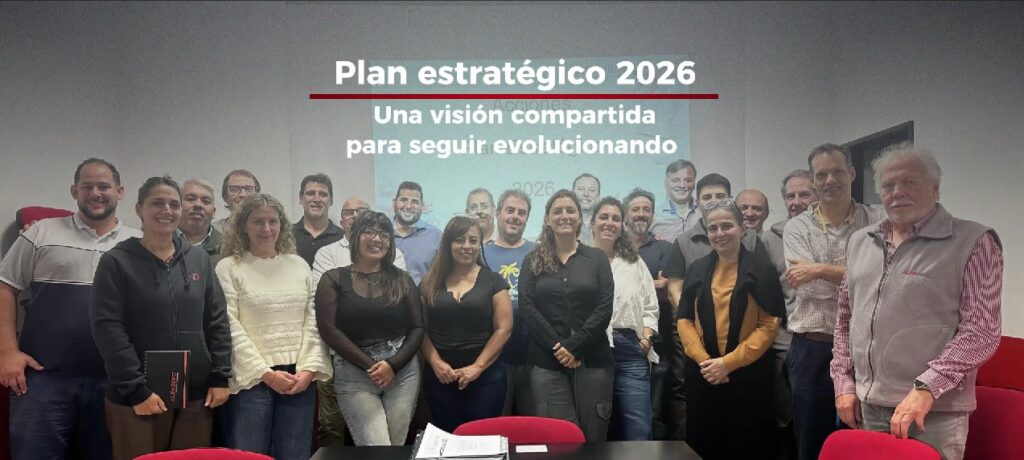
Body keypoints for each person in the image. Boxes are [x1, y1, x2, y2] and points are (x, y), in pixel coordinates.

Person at [831, 144, 1002, 460]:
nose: (897, 192)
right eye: (888, 185)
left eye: (909, 182)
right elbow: (845, 318)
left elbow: (981, 331)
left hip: (934, 410)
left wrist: (926, 388)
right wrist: (843, 382)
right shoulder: (860, 241)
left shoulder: (974, 241)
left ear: (935, 188)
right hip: (869, 405)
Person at [0, 158, 140, 460]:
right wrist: (7, 351)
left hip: (114, 382)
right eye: (87, 187)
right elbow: (5, 287)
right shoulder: (40, 233)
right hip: (44, 379)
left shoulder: (139, 244)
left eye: (104, 186)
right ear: (74, 191)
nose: (96, 193)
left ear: (120, 192)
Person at [90, 176, 232, 460]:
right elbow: (108, 330)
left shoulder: (199, 259)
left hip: (195, 394)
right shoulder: (116, 262)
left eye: (173, 204)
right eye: (157, 203)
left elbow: (216, 319)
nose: (167, 210)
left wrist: (220, 376)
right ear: (139, 209)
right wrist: (136, 390)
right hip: (138, 396)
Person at [783, 144, 885, 460]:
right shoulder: (797, 227)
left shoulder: (879, 219)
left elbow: (886, 279)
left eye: (837, 171)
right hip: (813, 349)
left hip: (867, 349)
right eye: (822, 174)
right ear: (813, 181)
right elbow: (810, 290)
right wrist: (860, 275)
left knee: (866, 441)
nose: (830, 180)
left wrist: (819, 269)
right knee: (811, 444)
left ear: (852, 173)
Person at [215, 193, 332, 460]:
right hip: (252, 380)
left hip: (298, 378)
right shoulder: (228, 268)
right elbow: (229, 326)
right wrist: (266, 374)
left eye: (273, 221)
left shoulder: (298, 265)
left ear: (282, 225)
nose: (266, 229)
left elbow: (313, 320)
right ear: (243, 225)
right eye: (258, 221)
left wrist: (309, 369)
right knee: (250, 455)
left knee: (295, 454)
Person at [676, 199, 784, 460]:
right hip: (704, 374)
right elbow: (684, 319)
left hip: (747, 374)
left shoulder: (762, 270)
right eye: (713, 228)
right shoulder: (697, 269)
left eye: (727, 226)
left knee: (747, 444)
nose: (719, 233)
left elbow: (770, 323)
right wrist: (707, 362)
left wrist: (728, 363)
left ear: (742, 228)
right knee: (704, 443)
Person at [663, 173, 762, 441]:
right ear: (697, 201)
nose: (712, 201)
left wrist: (729, 360)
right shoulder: (684, 242)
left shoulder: (752, 241)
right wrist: (698, 327)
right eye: (707, 197)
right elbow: (676, 290)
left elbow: (766, 307)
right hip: (696, 343)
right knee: (698, 412)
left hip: (742, 350)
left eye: (720, 196)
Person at [314, 211, 424, 446]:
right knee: (377, 447)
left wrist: (392, 365)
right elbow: (328, 329)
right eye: (369, 232)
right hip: (354, 372)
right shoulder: (333, 279)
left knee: (395, 446)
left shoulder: (402, 279)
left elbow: (417, 327)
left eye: (384, 234)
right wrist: (373, 367)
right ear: (355, 237)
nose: (377, 239)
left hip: (402, 370)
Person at [520, 190, 614, 441]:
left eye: (570, 210)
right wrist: (558, 347)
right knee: (559, 441)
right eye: (557, 211)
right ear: (547, 219)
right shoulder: (533, 259)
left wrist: (574, 346)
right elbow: (527, 307)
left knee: (594, 439)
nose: (564, 216)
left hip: (592, 360)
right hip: (546, 361)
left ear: (580, 218)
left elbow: (605, 307)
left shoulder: (596, 258)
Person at [419, 216, 513, 432]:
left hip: (487, 378)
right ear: (448, 243)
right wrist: (435, 362)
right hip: (440, 378)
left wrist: (477, 367)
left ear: (480, 245)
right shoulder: (429, 283)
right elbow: (420, 329)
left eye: (473, 240)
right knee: (447, 439)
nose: (467, 246)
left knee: (482, 441)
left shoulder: (494, 281)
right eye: (459, 240)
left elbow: (504, 329)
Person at [590, 197, 659, 441]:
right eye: (604, 217)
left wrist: (646, 339)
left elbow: (651, 304)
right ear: (592, 223)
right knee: (595, 430)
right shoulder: (580, 260)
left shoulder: (634, 261)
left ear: (622, 225)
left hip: (630, 350)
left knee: (639, 430)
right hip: (591, 351)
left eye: (616, 219)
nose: (609, 223)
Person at [760, 170, 816, 460]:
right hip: (784, 339)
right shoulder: (770, 238)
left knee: (816, 417)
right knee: (784, 414)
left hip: (825, 339)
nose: (796, 201)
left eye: (804, 194)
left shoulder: (831, 233)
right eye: (790, 196)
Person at [621, 188, 676, 439]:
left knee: (653, 413)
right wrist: (648, 284)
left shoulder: (664, 247)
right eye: (636, 209)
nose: (641, 214)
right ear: (625, 215)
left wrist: (624, 286)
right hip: (618, 342)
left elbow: (664, 286)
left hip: (657, 341)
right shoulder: (614, 247)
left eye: (647, 209)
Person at [482, 189, 537, 415]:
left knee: (531, 426)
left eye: (521, 213)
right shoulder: (481, 253)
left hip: (533, 356)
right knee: (497, 422)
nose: (515, 217)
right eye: (510, 210)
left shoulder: (539, 252)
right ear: (498, 213)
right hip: (493, 358)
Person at [392, 181, 442, 284]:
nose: (408, 206)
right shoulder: (380, 232)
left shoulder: (436, 235)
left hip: (422, 294)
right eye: (403, 200)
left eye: (415, 202)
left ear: (422, 206)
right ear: (394, 202)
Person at [293, 174, 344, 266]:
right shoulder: (287, 235)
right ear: (300, 198)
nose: (317, 199)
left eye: (323, 194)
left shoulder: (342, 238)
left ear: (331, 200)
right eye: (310, 193)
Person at [651, 159, 700, 241]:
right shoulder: (654, 215)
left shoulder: (704, 212)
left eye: (688, 180)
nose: (682, 185)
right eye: (675, 180)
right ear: (666, 184)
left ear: (694, 183)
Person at [178, 178, 223, 265]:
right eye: (191, 199)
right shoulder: (158, 241)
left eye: (206, 201)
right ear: (176, 206)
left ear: (214, 212)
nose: (198, 205)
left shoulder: (228, 248)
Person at [572, 173, 601, 245]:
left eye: (592, 190)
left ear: (598, 196)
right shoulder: (564, 221)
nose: (586, 194)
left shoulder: (604, 223)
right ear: (572, 193)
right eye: (581, 189)